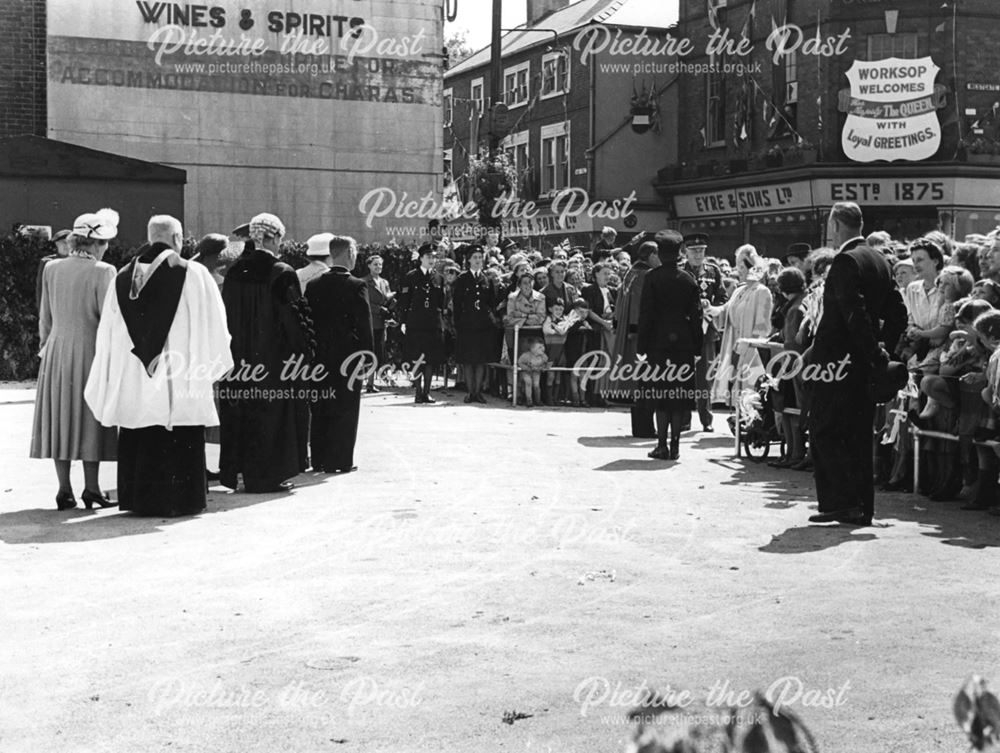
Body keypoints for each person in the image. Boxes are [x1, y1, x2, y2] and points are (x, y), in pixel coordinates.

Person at [85, 215, 232, 516]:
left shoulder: (122, 278)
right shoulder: (194, 274)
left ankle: (139, 499)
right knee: (177, 427)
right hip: (179, 377)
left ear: (151, 238)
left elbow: (108, 334)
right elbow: (215, 325)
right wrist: (212, 367)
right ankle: (181, 499)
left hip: (136, 377)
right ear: (177, 239)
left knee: (140, 423)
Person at [807, 202, 907, 526]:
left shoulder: (845, 261)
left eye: (830, 228)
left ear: (836, 226)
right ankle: (862, 505)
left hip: (836, 361)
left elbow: (853, 314)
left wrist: (873, 351)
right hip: (862, 363)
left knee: (826, 429)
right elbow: (898, 314)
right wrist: (881, 350)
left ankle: (840, 503)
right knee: (859, 434)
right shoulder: (879, 260)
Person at [30, 210, 119, 511]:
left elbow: (45, 317)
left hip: (56, 349)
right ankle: (92, 488)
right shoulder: (103, 271)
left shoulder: (52, 268)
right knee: (90, 417)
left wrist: (46, 347)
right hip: (90, 348)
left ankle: (63, 489)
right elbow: (109, 319)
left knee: (61, 417)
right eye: (104, 242)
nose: (106, 247)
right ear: (95, 243)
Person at [219, 212, 313, 492]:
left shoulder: (234, 271)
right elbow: (295, 319)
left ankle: (240, 473)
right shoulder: (281, 272)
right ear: (272, 237)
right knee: (271, 415)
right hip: (273, 359)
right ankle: (267, 476)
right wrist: (304, 353)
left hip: (239, 358)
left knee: (242, 412)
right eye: (280, 238)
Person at [304, 235, 373, 473]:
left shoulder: (313, 285)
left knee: (321, 406)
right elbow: (364, 327)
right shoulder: (356, 286)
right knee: (346, 408)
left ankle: (320, 458)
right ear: (349, 253)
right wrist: (367, 358)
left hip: (320, 358)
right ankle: (341, 459)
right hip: (348, 358)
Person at [636, 230, 703, 460]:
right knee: (679, 397)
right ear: (679, 253)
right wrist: (697, 348)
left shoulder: (652, 278)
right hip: (683, 343)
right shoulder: (688, 279)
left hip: (658, 343)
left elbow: (646, 315)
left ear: (660, 253)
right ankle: (675, 445)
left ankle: (661, 444)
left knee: (661, 396)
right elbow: (697, 316)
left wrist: (641, 348)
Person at [709, 245, 773, 406]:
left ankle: (750, 426)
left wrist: (750, 345)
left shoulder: (762, 291)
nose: (739, 271)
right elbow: (725, 311)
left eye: (742, 267)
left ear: (753, 267)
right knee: (737, 389)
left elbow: (763, 325)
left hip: (752, 349)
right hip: (734, 344)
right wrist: (709, 309)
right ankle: (741, 426)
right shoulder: (739, 290)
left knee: (750, 391)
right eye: (738, 267)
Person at [611, 236, 660, 438]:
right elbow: (640, 307)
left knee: (635, 382)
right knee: (644, 381)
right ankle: (645, 428)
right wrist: (637, 332)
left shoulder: (631, 273)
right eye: (657, 254)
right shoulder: (644, 275)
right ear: (650, 255)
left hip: (628, 334)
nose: (660, 259)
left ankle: (640, 427)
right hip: (638, 335)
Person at [681, 233, 727, 431]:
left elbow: (723, 298)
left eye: (701, 250)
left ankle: (706, 420)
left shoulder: (713, 271)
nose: (698, 254)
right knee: (682, 376)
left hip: (707, 332)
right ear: (686, 252)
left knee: (705, 378)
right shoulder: (679, 270)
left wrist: (712, 306)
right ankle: (683, 419)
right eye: (694, 251)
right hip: (684, 331)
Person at [398, 245, 446, 404]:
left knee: (430, 359)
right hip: (415, 323)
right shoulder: (411, 276)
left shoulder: (439, 278)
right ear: (420, 258)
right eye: (428, 257)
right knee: (416, 359)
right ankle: (418, 392)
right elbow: (404, 301)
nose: (432, 260)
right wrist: (403, 321)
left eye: (433, 257)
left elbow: (441, 302)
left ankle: (427, 392)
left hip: (432, 323)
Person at [453, 245, 500, 404]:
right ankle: (470, 392)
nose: (478, 261)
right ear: (468, 260)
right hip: (467, 325)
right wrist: (458, 324)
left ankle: (478, 392)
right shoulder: (462, 279)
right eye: (475, 258)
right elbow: (457, 304)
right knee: (467, 360)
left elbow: (491, 303)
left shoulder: (487, 279)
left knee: (480, 360)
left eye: (480, 258)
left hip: (483, 326)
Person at [581, 262, 617, 407]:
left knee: (609, 362)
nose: (607, 276)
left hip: (609, 332)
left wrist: (611, 318)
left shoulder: (612, 291)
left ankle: (606, 394)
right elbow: (588, 310)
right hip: (596, 330)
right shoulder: (589, 290)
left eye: (609, 274)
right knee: (596, 362)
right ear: (596, 274)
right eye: (604, 273)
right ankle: (593, 395)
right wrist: (603, 322)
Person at [362, 255, 394, 393]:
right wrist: (379, 309)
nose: (378, 267)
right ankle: (367, 383)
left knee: (378, 353)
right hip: (370, 321)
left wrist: (391, 306)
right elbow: (364, 303)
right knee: (368, 353)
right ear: (369, 266)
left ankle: (371, 383)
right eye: (375, 264)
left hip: (381, 322)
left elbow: (386, 299)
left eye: (380, 265)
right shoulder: (364, 282)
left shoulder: (384, 282)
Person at [34, 228, 73, 310]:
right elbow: (41, 289)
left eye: (69, 243)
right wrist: (42, 311)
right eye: (63, 243)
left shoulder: (78, 262)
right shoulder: (47, 262)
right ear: (56, 244)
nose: (66, 246)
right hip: (53, 306)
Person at [517, 338, 549, 408]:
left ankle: (538, 400)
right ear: (532, 349)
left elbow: (546, 364)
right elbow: (519, 362)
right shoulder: (526, 355)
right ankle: (529, 400)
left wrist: (543, 368)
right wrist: (526, 368)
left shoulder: (544, 356)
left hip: (536, 372)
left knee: (536, 385)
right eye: (539, 347)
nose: (542, 348)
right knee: (528, 383)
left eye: (543, 346)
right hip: (526, 372)